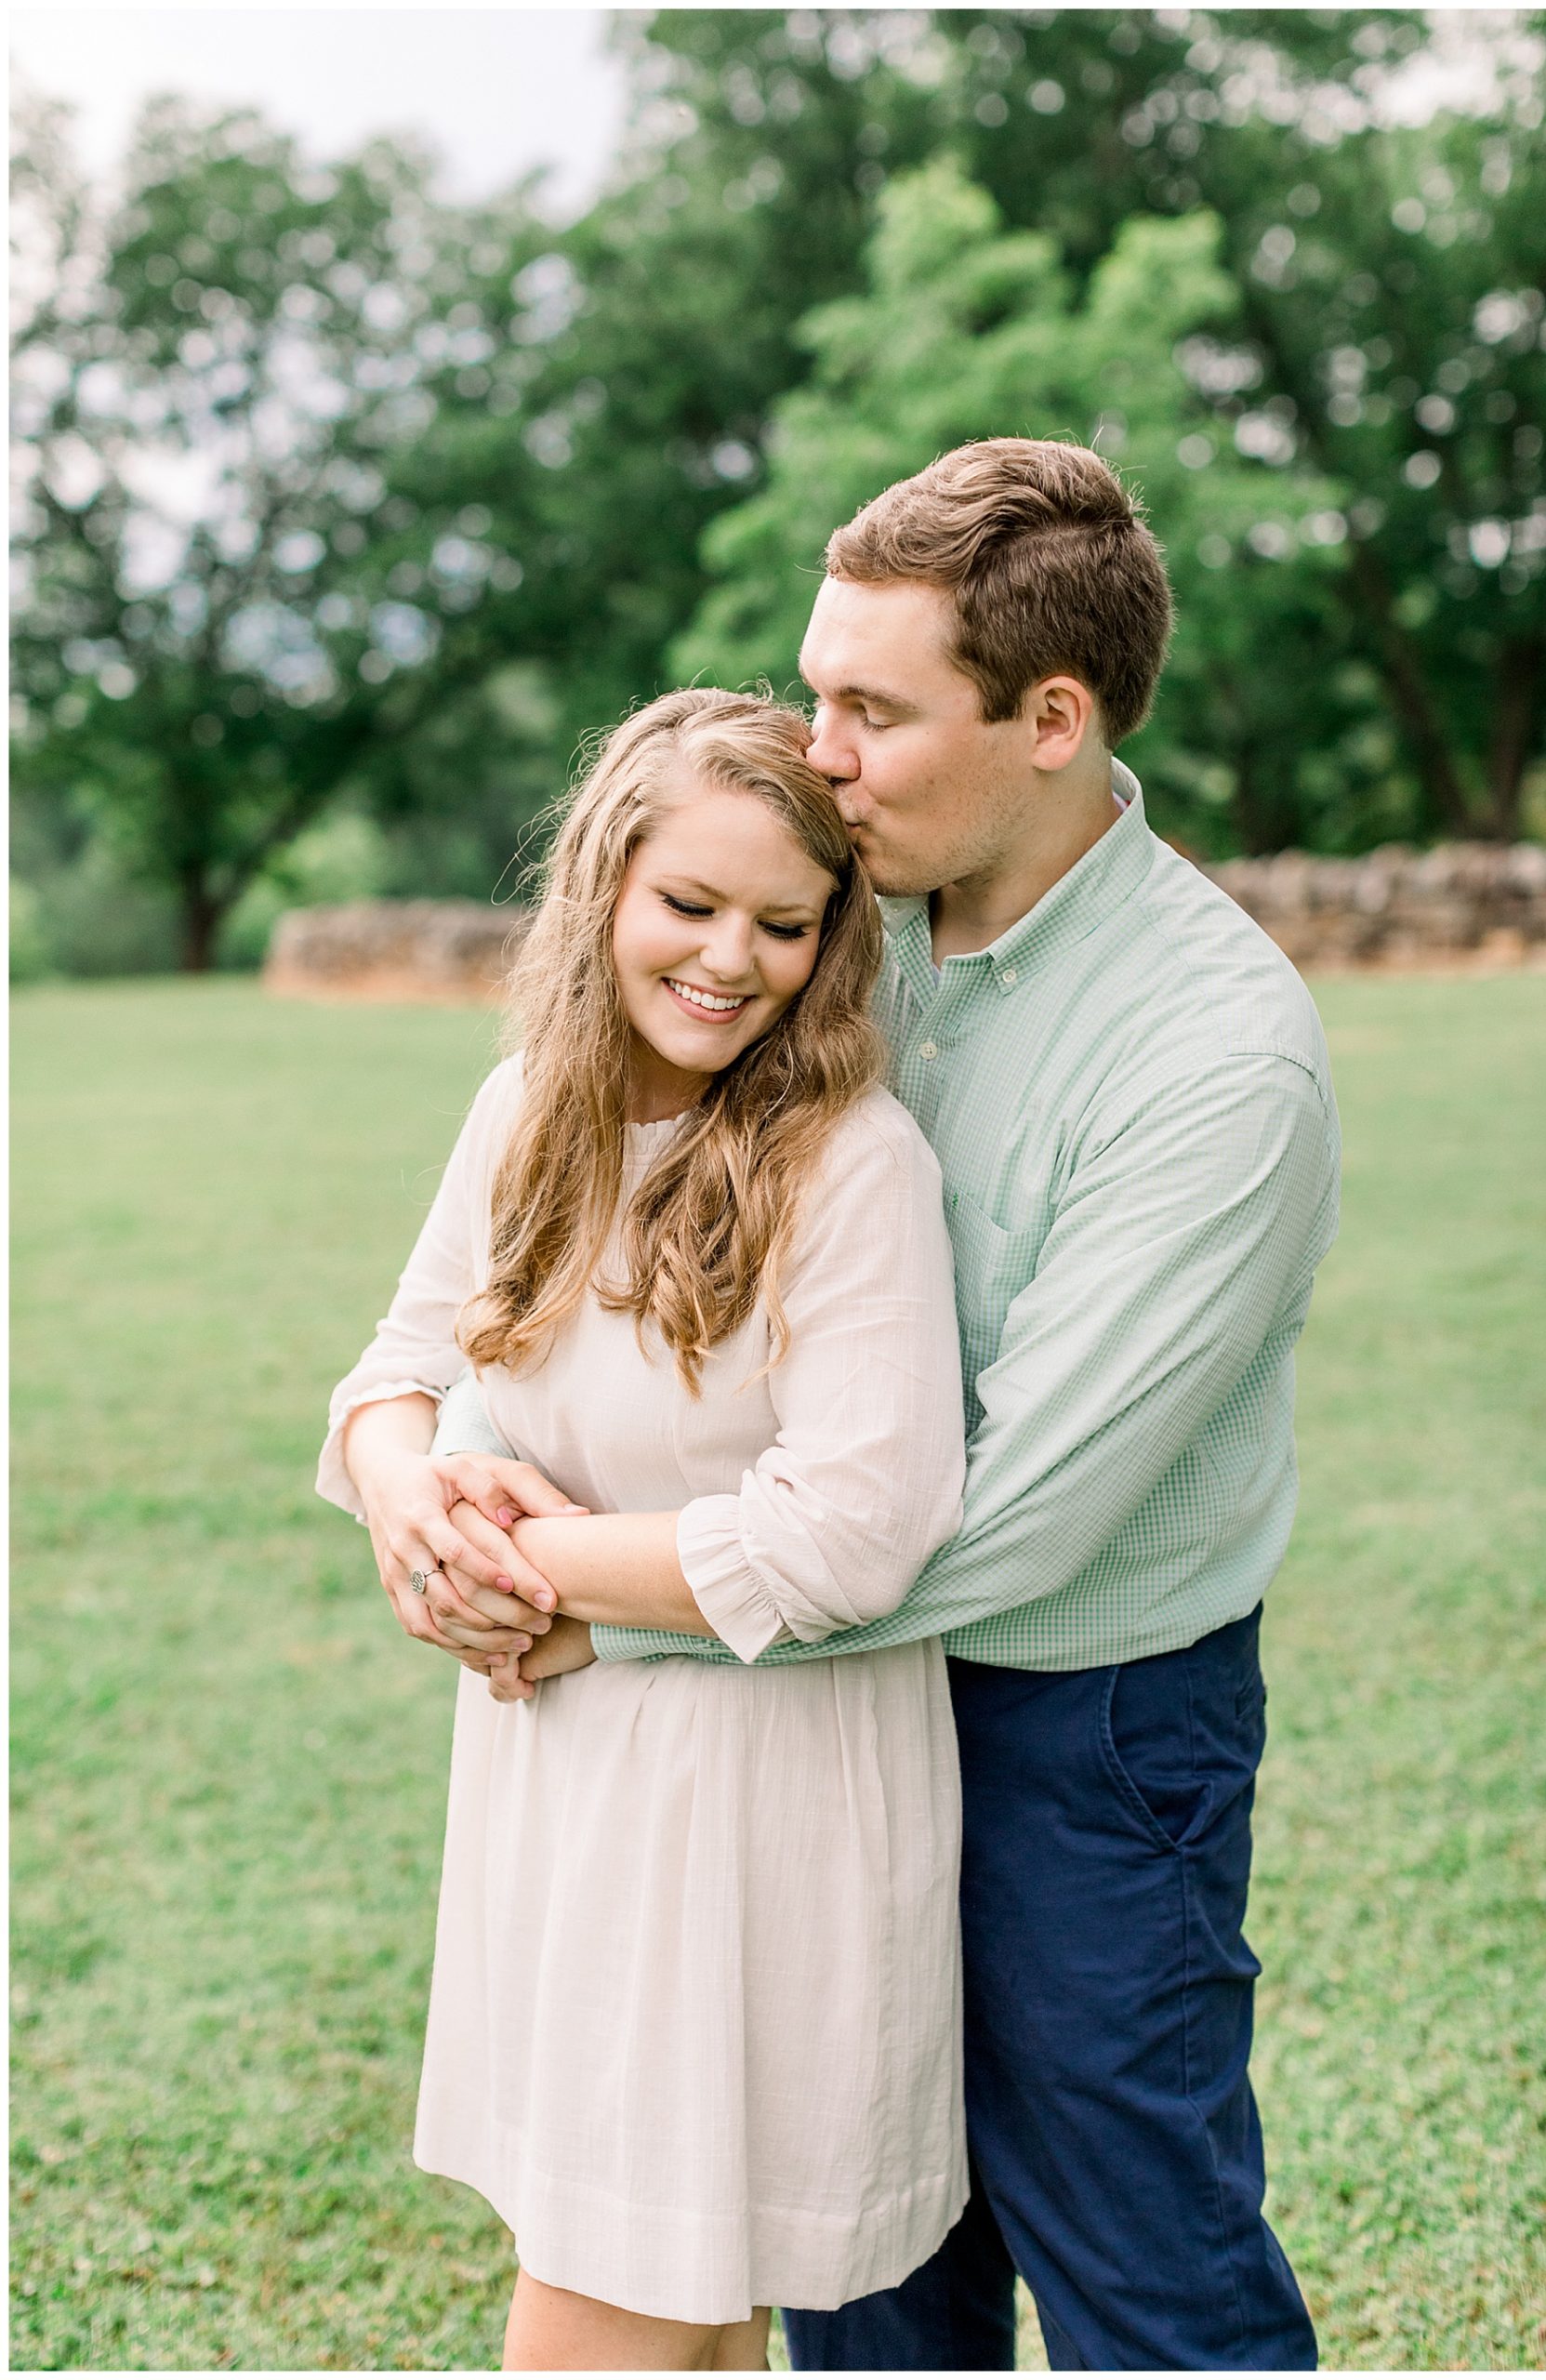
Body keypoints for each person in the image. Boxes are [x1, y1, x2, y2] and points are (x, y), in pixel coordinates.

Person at [447, 440, 1341, 2371]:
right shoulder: (833, 933)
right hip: (812, 1716)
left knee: (1136, 2266)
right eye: (813, 687)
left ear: (1048, 716)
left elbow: (998, 1519)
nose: (817, 747)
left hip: (1077, 1728)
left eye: (868, 706)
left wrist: (569, 1596)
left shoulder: (1215, 1057)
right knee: (863, 2270)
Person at [316, 690, 971, 2373]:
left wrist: (535, 1575)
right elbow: (399, 1369)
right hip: (566, 1793)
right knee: (682, 2322)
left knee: (612, 2318)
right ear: (603, 884)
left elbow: (852, 1531)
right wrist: (414, 1513)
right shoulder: (527, 1104)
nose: (729, 960)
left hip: (749, 1814)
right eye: (689, 905)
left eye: (782, 923)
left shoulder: (849, 1161)